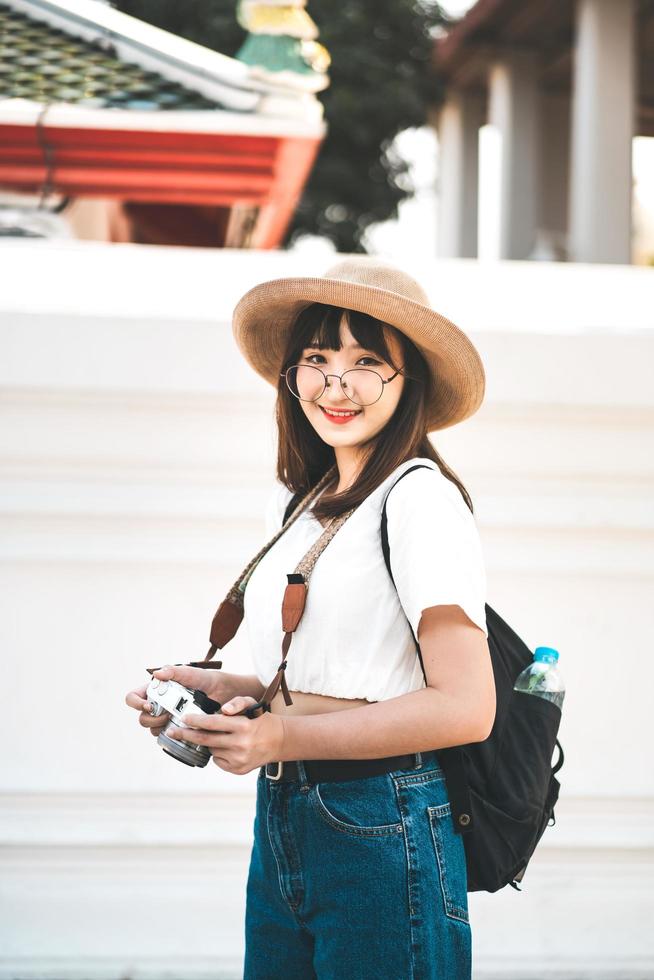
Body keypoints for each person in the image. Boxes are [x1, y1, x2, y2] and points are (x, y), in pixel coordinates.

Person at [125, 257, 496, 980]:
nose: (335, 383)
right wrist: (214, 693)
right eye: (317, 358)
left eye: (366, 361)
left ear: (407, 380)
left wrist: (279, 735)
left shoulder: (419, 500)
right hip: (285, 814)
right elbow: (326, 676)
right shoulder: (300, 501)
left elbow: (467, 705)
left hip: (382, 822)